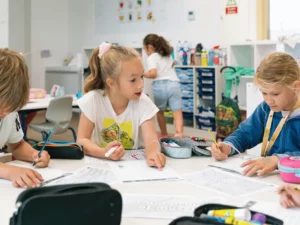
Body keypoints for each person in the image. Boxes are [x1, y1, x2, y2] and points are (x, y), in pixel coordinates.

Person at [77, 42, 166, 169]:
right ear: (111, 82)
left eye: (142, 77)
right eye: (133, 80)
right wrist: (104, 153)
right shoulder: (93, 100)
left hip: (133, 169)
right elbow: (82, 140)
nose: (141, 84)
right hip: (100, 168)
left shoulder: (143, 102)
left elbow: (151, 140)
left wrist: (153, 153)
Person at [211, 52, 300, 176]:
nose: (268, 100)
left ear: (296, 86)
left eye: (275, 94)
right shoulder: (266, 109)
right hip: (272, 181)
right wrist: (228, 147)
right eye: (264, 93)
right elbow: (245, 135)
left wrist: (277, 160)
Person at [0, 48, 50, 188]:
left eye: (10, 108)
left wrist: (34, 154)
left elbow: (17, 145)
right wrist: (10, 172)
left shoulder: (9, 112)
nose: (5, 113)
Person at [143, 34, 184, 139]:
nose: (146, 51)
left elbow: (153, 73)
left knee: (160, 112)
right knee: (177, 111)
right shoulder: (168, 55)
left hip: (160, 86)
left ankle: (164, 134)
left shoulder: (152, 57)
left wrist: (142, 73)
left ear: (150, 47)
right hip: (174, 84)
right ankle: (179, 133)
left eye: (145, 48)